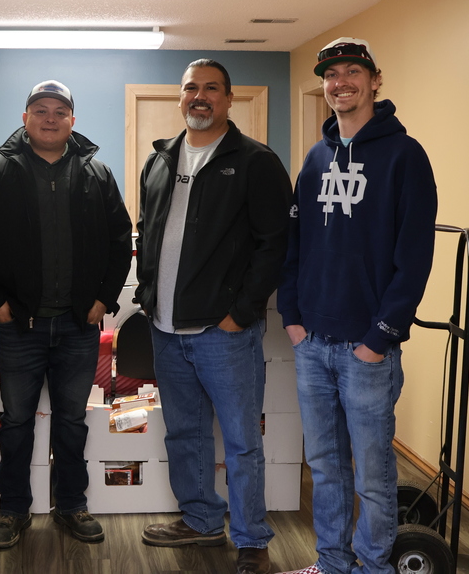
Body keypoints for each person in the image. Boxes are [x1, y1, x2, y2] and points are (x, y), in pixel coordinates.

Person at [275, 38, 437, 574]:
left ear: (374, 80)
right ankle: (332, 563)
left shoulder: (405, 155)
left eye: (351, 72)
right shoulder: (316, 157)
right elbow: (294, 246)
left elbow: (413, 260)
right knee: (324, 466)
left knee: (371, 473)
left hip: (366, 348)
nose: (340, 82)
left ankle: (373, 567)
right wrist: (293, 319)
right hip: (312, 344)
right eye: (331, 75)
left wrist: (380, 338)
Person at [0, 80, 133, 549]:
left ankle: (72, 505)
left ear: (72, 121)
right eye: (41, 110)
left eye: (60, 111)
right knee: (16, 422)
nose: (50, 118)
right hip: (20, 328)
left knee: (72, 422)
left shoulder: (97, 172)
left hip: (78, 325)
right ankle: (14, 509)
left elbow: (121, 240)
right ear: (25, 118)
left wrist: (103, 300)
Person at [134, 59, 292, 574]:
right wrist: (148, 296)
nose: (199, 97)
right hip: (165, 327)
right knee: (184, 432)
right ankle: (201, 521)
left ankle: (251, 539)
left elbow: (275, 245)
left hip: (222, 334)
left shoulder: (254, 162)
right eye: (190, 89)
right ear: (180, 98)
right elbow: (150, 232)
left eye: (210, 89)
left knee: (242, 441)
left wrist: (241, 312)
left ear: (228, 99)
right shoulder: (159, 161)